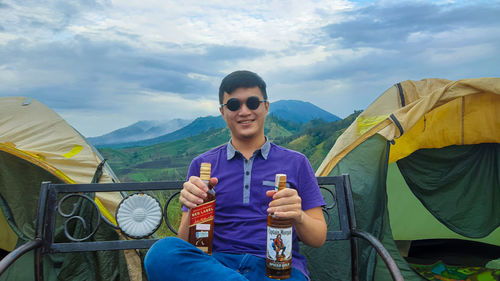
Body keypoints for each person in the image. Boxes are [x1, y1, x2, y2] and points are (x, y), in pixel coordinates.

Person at [144, 70, 327, 281]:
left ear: (266, 107)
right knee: (161, 252)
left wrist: (299, 215)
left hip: (277, 267)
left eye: (252, 102)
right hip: (216, 267)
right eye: (233, 105)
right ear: (223, 112)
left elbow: (318, 237)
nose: (244, 111)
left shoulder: (297, 162)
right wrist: (193, 208)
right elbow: (186, 243)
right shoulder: (203, 165)